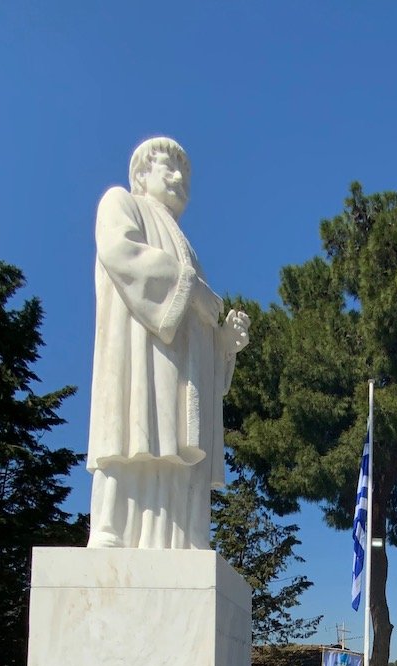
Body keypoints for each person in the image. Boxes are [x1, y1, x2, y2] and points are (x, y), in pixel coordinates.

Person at [86, 137, 250, 550]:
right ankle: (113, 529)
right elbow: (120, 253)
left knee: (177, 448)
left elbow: (200, 326)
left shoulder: (187, 247)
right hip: (139, 356)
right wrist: (194, 292)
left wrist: (224, 344)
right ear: (142, 173)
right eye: (169, 168)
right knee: (131, 434)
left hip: (181, 371)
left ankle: (178, 537)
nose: (180, 179)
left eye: (187, 174)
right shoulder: (120, 202)